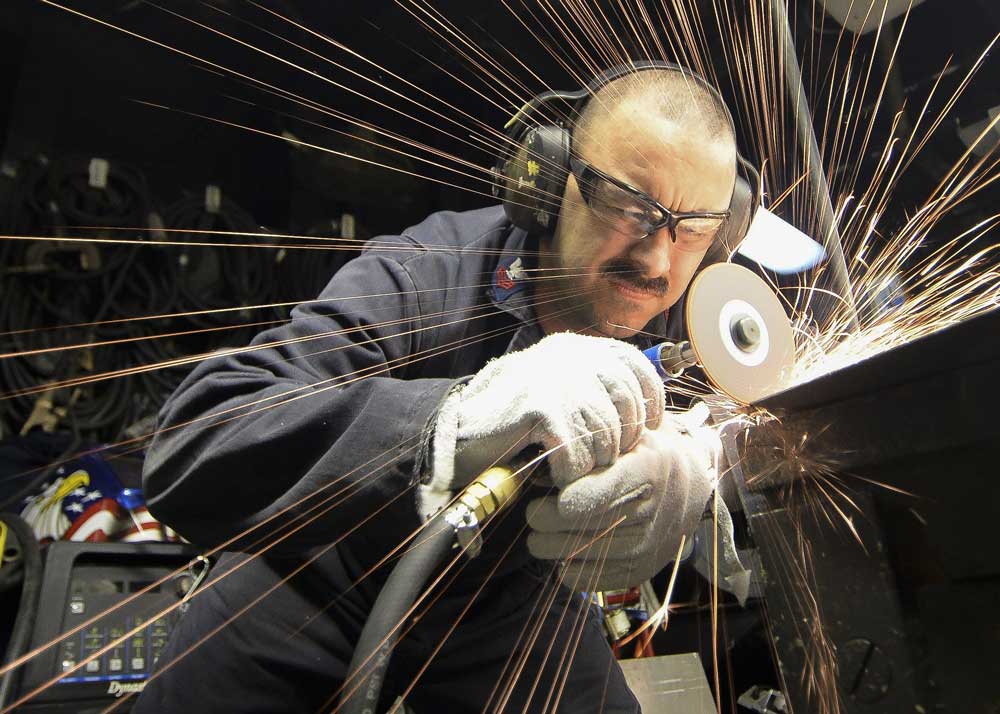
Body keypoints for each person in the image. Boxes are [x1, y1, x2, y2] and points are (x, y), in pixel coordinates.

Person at [134, 64, 742, 713]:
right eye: (629, 208)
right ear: (546, 180)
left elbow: (758, 431)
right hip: (318, 567)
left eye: (695, 230)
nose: (657, 260)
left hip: (502, 599)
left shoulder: (694, 310)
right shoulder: (427, 272)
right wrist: (448, 428)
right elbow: (194, 440)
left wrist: (704, 470)